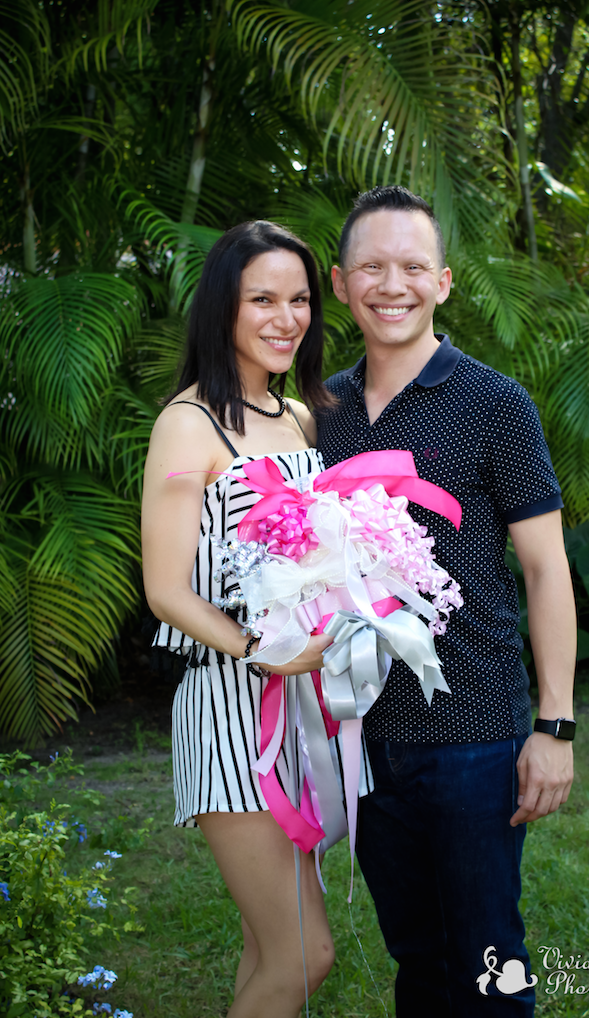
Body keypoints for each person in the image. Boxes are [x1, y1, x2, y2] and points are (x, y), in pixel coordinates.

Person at [317, 186, 577, 1016]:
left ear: (443, 282)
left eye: (412, 266)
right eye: (371, 267)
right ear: (340, 284)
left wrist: (554, 728)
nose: (391, 285)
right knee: (416, 959)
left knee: (485, 959)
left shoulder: (495, 404)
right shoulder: (319, 412)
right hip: (360, 733)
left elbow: (545, 570)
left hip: (472, 732)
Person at [141, 221, 339, 1018]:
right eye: (262, 299)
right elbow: (165, 589)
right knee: (305, 953)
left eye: (299, 300)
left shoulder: (299, 417)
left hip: (300, 708)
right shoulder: (188, 424)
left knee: (267, 948)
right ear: (222, 306)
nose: (286, 318)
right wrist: (263, 649)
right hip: (229, 707)